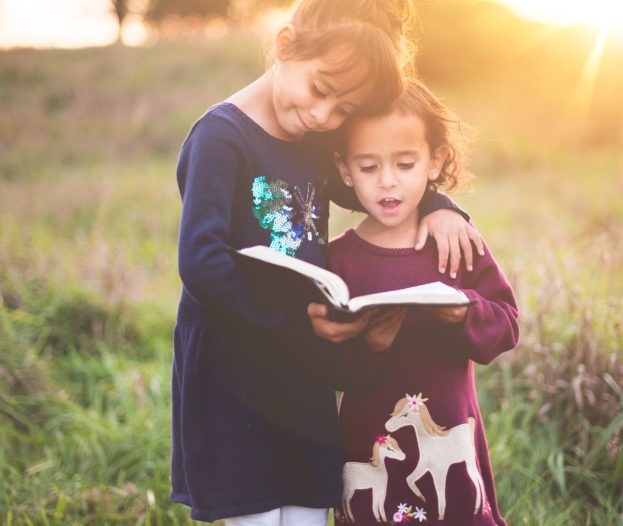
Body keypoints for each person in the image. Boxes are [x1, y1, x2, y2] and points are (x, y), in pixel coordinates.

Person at [171, 1, 484, 524]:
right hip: (233, 371)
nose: (324, 116)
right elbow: (200, 262)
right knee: (255, 513)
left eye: (343, 110)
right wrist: (297, 319)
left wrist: (440, 205)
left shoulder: (314, 141)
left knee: (309, 511)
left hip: (302, 369)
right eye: (320, 90)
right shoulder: (221, 137)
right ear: (286, 44)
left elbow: (377, 187)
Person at [329, 78, 520, 526]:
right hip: (368, 442)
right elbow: (328, 368)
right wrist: (370, 344)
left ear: (435, 161)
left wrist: (464, 312)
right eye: (368, 166)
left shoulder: (455, 242)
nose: (388, 181)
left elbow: (507, 327)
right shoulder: (338, 260)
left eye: (406, 163)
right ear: (344, 169)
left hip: (451, 433)